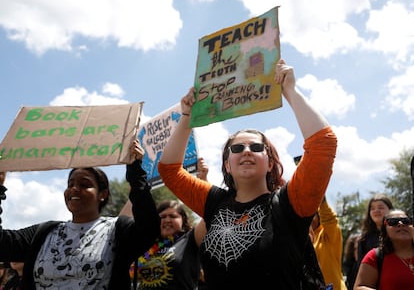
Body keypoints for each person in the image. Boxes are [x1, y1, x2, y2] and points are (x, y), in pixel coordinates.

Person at [158, 59, 337, 289]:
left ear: (270, 162)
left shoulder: (291, 203)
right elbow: (170, 171)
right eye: (236, 148)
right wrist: (186, 118)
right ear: (228, 165)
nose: (246, 151)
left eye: (256, 147)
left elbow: (323, 144)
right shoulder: (214, 203)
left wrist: (289, 90)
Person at [0, 140, 160, 289]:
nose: (74, 189)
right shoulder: (44, 233)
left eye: (84, 184)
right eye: (70, 184)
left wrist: (135, 171)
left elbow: (149, 226)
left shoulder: (117, 230)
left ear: (102, 194)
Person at [125, 157, 209, 290]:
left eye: (173, 216)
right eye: (162, 217)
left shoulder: (191, 240)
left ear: (183, 221)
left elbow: (210, 215)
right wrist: (135, 185)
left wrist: (202, 181)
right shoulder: (145, 243)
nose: (167, 220)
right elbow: (121, 222)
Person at [354, 209, 414, 289]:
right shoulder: (374, 257)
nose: (401, 224)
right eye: (393, 222)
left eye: (406, 221)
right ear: (385, 230)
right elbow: (359, 287)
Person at [346, 194, 394, 290]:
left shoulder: (399, 233)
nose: (376, 211)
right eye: (372, 208)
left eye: (381, 207)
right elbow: (361, 271)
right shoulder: (363, 239)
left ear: (390, 210)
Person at [309, 196, 346, 290]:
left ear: (319, 216)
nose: (309, 219)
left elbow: (330, 220)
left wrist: (322, 201)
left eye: (313, 215)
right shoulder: (298, 240)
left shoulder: (328, 236)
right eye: (306, 215)